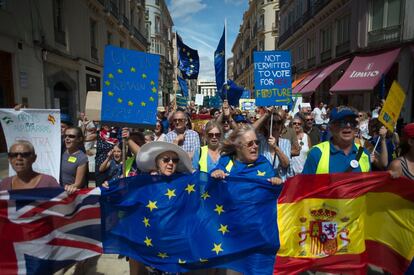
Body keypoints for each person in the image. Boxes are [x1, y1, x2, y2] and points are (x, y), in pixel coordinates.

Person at [130, 141, 192, 275]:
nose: (170, 163)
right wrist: (109, 187)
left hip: (174, 248)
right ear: (157, 162)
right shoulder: (144, 183)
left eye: (174, 160)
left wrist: (217, 175)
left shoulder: (185, 182)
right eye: (166, 159)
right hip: (151, 245)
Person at [302, 106, 371, 174]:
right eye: (342, 122)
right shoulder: (317, 153)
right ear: (331, 128)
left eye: (352, 122)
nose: (348, 125)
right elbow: (306, 184)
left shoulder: (364, 153)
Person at [210, 124, 282, 185]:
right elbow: (213, 177)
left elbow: (275, 186)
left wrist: (277, 181)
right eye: (250, 144)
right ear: (238, 147)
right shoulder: (226, 161)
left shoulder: (263, 162)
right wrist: (216, 173)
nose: (255, 146)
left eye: (256, 142)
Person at [60, 126, 88, 193]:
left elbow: (78, 183)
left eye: (71, 136)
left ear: (79, 139)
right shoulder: (60, 151)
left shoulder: (82, 158)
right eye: (65, 136)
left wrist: (72, 187)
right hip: (54, 191)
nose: (67, 138)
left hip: (68, 194)